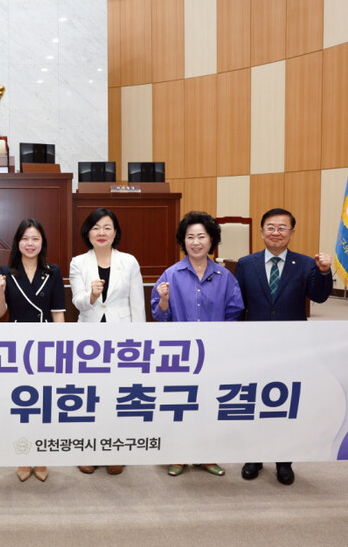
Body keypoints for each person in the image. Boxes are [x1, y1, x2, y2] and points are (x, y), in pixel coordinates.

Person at [235, 208, 333, 486]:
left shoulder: (306, 264)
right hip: (255, 346)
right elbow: (239, 305)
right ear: (261, 231)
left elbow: (319, 297)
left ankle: (284, 461)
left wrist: (324, 272)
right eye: (270, 227)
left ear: (291, 232)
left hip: (293, 348)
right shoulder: (246, 263)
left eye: (282, 228)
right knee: (255, 403)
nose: (276, 232)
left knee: (286, 404)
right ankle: (253, 457)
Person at [151, 211, 244, 478]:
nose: (196, 242)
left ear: (212, 240)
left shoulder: (225, 276)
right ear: (183, 241)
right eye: (190, 237)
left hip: (215, 352)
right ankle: (178, 455)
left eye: (201, 236)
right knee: (180, 404)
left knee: (209, 403)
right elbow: (159, 315)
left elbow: (234, 312)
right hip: (180, 353)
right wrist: (164, 300)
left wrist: (221, 345)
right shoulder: (171, 274)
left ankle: (206, 454)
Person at [70, 207, 146, 476]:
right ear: (87, 233)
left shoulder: (129, 261)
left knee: (117, 394)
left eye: (107, 227)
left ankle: (116, 450)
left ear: (115, 233)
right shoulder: (79, 262)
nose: (101, 233)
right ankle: (88, 450)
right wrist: (91, 296)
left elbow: (137, 304)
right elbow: (78, 302)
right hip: (89, 338)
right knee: (90, 395)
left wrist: (139, 342)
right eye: (95, 228)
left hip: (122, 338)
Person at [0, 218, 66, 482]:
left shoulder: (53, 272)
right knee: (22, 405)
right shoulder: (7, 271)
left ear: (42, 242)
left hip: (46, 346)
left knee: (44, 405)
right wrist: (0, 291)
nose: (30, 243)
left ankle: (42, 456)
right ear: (18, 242)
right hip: (17, 346)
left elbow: (58, 313)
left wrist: (60, 349)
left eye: (35, 238)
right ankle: (23, 456)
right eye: (25, 238)